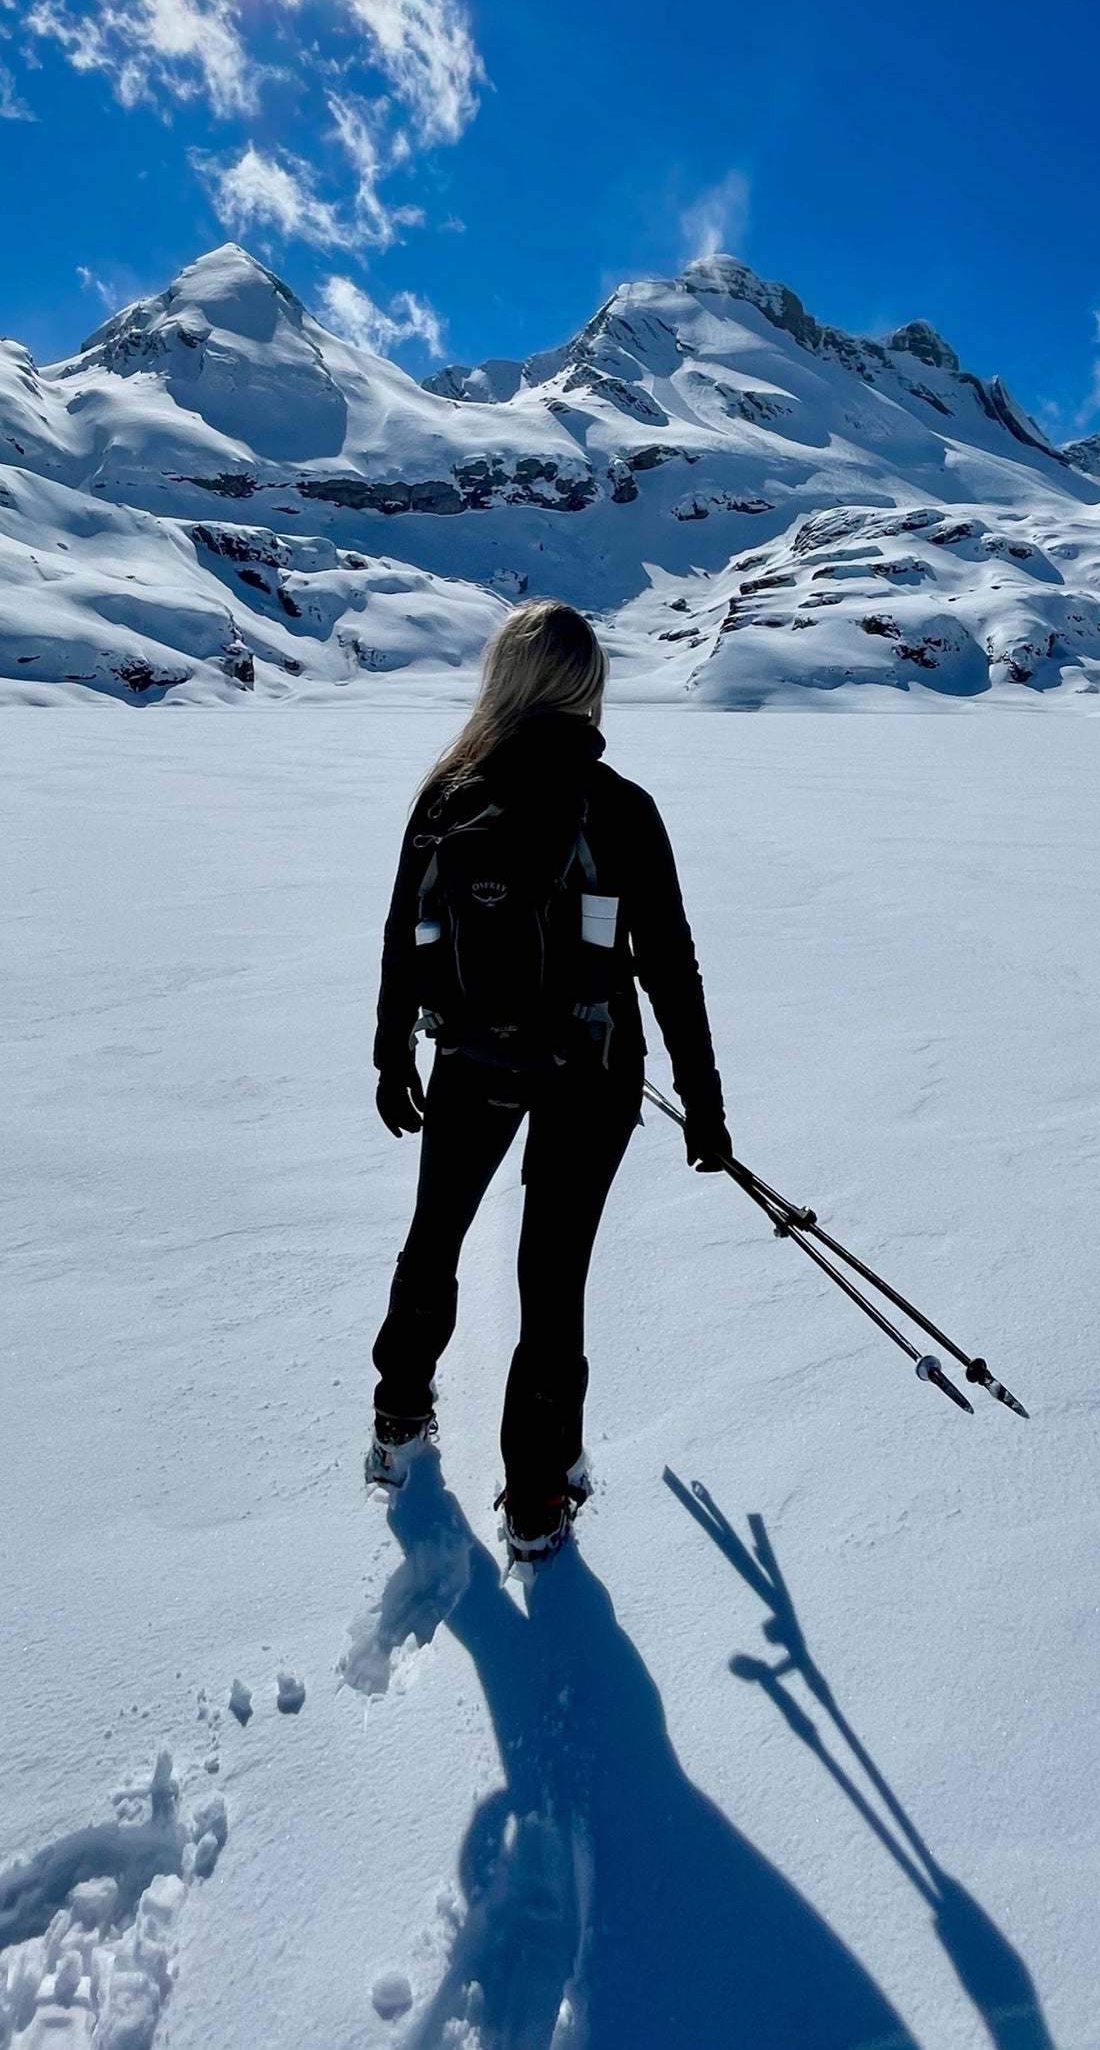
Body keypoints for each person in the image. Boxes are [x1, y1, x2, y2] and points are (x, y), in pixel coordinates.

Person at [367, 599, 733, 1563]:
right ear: (587, 685)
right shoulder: (621, 808)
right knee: (552, 1280)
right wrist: (705, 1104)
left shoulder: (448, 794)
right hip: (594, 1070)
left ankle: (398, 1415)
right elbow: (670, 965)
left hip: (468, 1059)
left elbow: (407, 935)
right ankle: (535, 1498)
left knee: (433, 1236)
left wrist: (390, 1048)